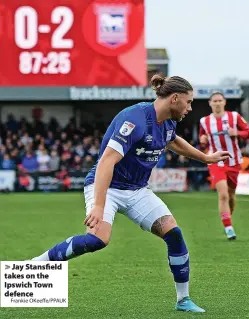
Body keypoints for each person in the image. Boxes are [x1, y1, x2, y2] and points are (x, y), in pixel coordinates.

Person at [30, 74, 231, 313]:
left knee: (174, 234)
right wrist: (98, 206)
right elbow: (106, 162)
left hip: (137, 191)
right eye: (188, 102)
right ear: (174, 98)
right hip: (107, 187)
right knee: (97, 240)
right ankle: (35, 266)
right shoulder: (134, 119)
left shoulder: (168, 121)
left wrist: (205, 157)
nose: (190, 108)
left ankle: (183, 300)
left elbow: (173, 141)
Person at [199, 92, 249, 240]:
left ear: (224, 102)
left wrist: (237, 133)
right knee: (222, 194)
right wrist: (202, 139)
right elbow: (202, 137)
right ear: (210, 103)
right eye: (214, 101)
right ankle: (229, 228)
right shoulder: (204, 121)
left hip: (233, 161)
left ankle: (227, 218)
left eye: (219, 100)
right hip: (215, 160)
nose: (217, 103)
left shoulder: (234, 117)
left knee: (231, 196)